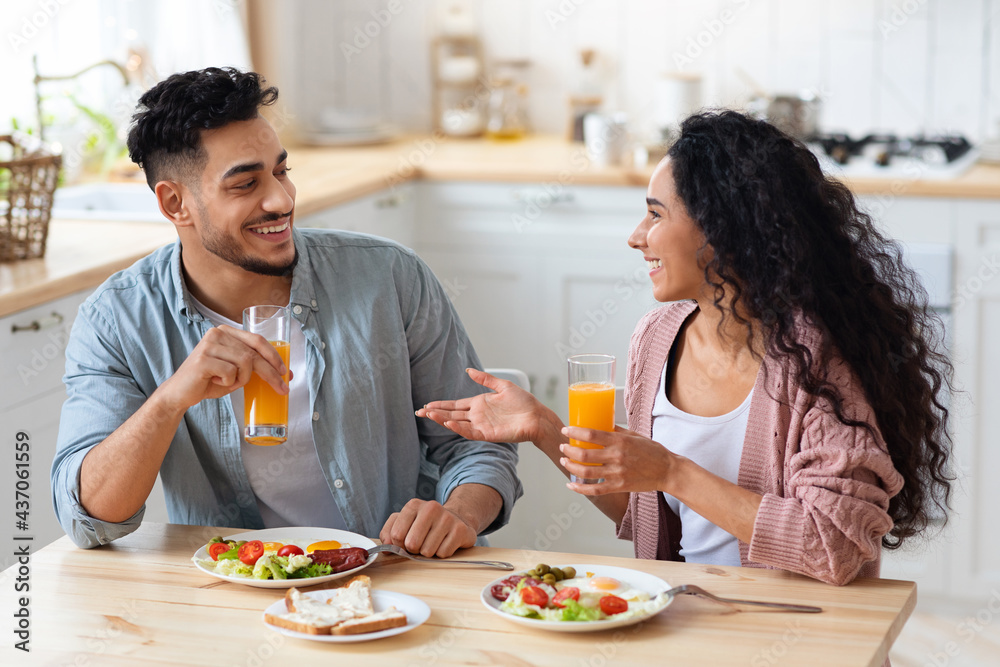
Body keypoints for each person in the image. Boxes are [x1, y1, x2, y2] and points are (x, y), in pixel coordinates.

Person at [418, 110, 954, 585]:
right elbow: (645, 510)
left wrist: (673, 471)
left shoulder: (817, 361)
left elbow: (833, 545)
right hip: (691, 617)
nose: (636, 236)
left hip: (797, 633)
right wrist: (542, 426)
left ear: (721, 229)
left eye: (655, 214)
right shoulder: (657, 337)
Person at [51, 67, 521, 557]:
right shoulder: (118, 320)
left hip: (400, 576)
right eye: (245, 183)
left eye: (281, 171)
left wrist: (459, 515)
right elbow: (90, 521)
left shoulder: (389, 277)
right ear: (175, 203)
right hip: (239, 592)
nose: (281, 199)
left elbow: (478, 444)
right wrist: (170, 401)